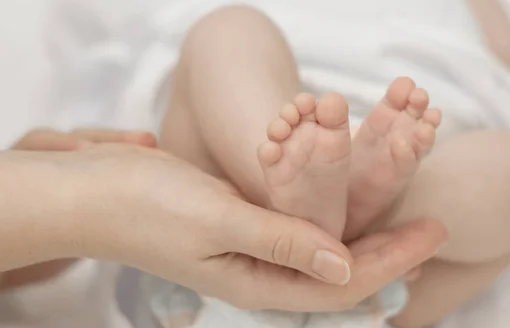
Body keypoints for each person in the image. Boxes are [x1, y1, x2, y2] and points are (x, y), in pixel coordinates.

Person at [125, 0, 510, 328]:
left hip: (395, 153)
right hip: (248, 194)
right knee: (228, 31)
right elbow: (505, 43)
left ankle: (336, 204)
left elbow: (502, 45)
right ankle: (307, 195)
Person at [0, 128, 447, 315]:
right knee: (505, 175)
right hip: (372, 286)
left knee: (227, 29)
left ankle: (305, 203)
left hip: (202, 213)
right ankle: (326, 212)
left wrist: (55, 206)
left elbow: (20, 274)